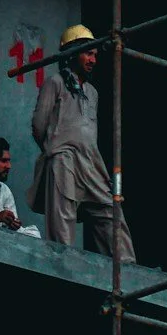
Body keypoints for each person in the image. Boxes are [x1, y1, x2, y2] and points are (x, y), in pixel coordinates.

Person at [28, 25, 136, 261]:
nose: (93, 59)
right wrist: (55, 150)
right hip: (64, 158)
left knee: (110, 209)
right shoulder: (55, 83)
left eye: (95, 55)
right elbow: (38, 125)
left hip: (91, 162)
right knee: (63, 214)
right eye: (88, 53)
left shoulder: (92, 92)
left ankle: (126, 267)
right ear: (73, 53)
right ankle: (64, 263)